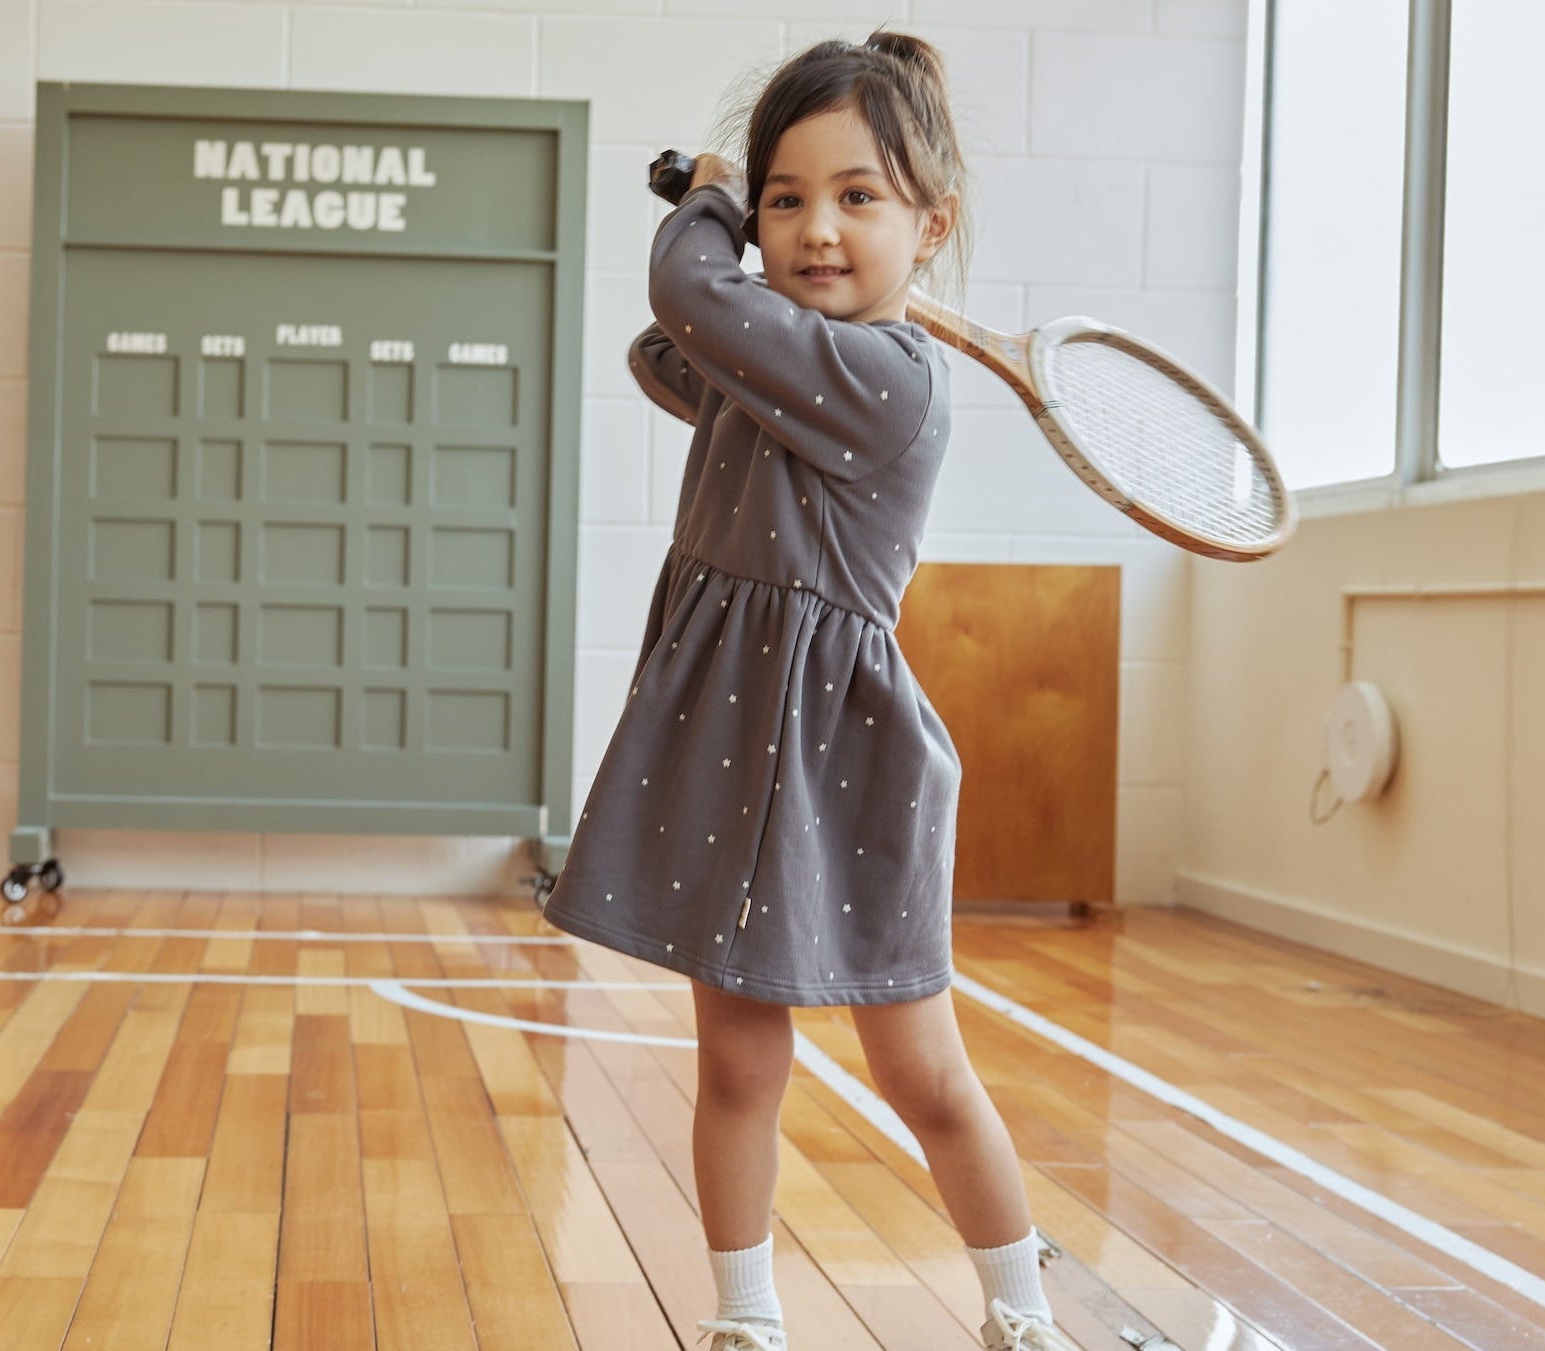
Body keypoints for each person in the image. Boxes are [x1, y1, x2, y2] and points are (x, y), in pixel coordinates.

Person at [539, 30, 1081, 1351]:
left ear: (930, 224)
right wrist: (743, 283)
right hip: (730, 745)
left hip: (843, 763)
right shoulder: (790, 356)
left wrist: (713, 205)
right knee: (737, 1060)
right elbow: (667, 358)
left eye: (859, 199)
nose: (817, 228)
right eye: (788, 199)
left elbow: (686, 300)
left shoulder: (889, 381)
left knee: (922, 1068)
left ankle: (1021, 1312)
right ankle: (746, 1320)